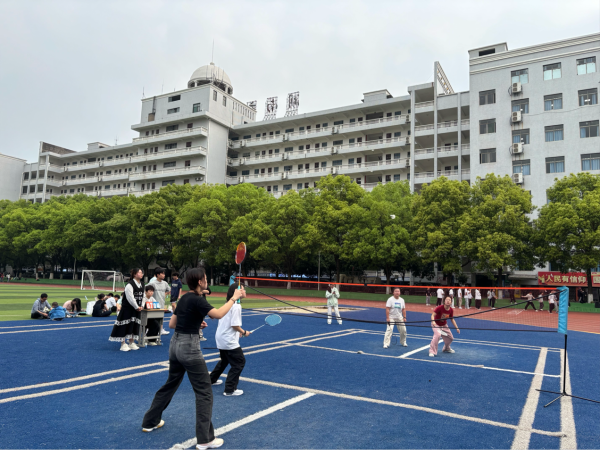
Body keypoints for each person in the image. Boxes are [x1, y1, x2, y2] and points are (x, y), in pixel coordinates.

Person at [141, 267, 243, 450]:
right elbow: (218, 314)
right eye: (206, 278)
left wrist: (195, 323)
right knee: (204, 392)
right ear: (200, 281)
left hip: (175, 346)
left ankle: (150, 421)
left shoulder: (185, 298)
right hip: (189, 348)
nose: (207, 281)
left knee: (170, 384)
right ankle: (205, 439)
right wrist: (234, 298)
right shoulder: (198, 300)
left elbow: (172, 324)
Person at [210, 284, 250, 396]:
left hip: (221, 337)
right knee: (239, 362)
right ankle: (230, 389)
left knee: (224, 360)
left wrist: (238, 332)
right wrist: (243, 332)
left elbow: (229, 324)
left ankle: (211, 380)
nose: (244, 291)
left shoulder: (227, 304)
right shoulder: (236, 306)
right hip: (228, 339)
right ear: (237, 292)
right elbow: (234, 325)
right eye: (242, 289)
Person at [109, 268, 145, 352]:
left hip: (136, 309)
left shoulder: (143, 284)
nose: (141, 274)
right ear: (134, 274)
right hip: (127, 309)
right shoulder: (130, 285)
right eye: (139, 272)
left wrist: (142, 306)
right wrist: (136, 306)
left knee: (134, 324)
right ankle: (123, 344)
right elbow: (130, 298)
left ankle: (131, 342)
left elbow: (143, 296)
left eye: (142, 273)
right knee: (124, 325)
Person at [148, 268, 171, 336]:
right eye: (162, 273)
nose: (164, 275)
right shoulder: (153, 283)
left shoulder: (165, 283)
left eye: (164, 273)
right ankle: (149, 331)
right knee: (153, 319)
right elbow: (146, 290)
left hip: (162, 302)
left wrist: (165, 294)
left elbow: (169, 289)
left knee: (161, 317)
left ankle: (160, 330)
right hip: (154, 304)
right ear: (158, 275)